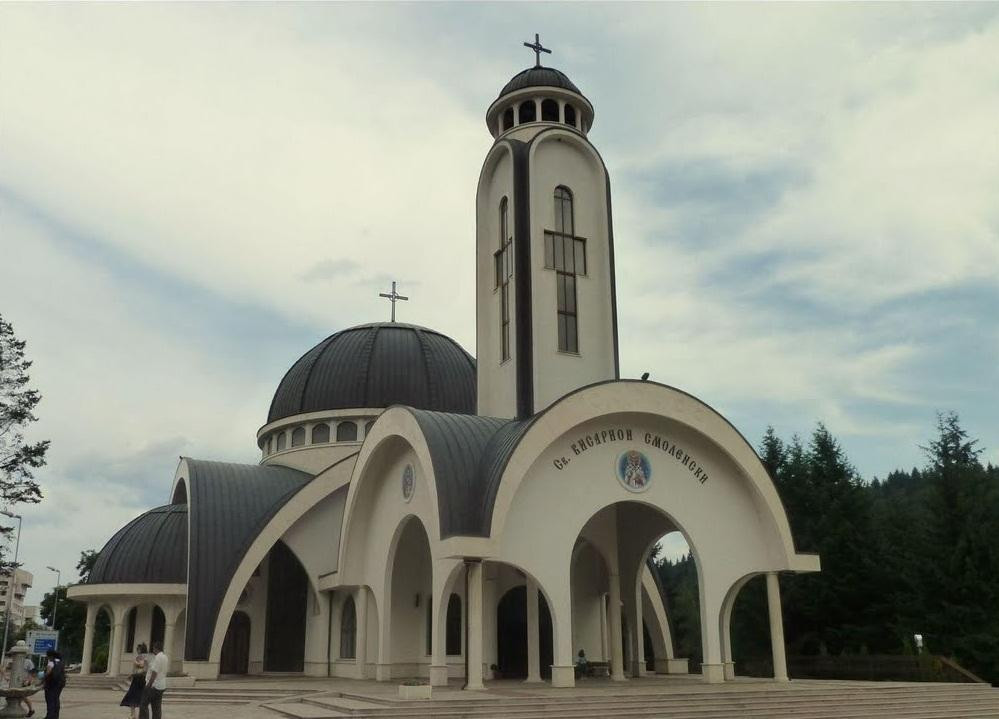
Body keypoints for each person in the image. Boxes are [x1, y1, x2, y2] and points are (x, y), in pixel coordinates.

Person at [139, 641, 168, 719]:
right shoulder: (165, 657)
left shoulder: (158, 657)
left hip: (153, 686)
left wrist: (149, 684)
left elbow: (154, 672)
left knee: (143, 704)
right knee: (156, 707)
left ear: (155, 648)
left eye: (153, 648)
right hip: (161, 685)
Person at [120, 643, 148, 719]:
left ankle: (137, 715)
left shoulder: (144, 657)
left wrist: (136, 663)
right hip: (136, 678)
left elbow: (143, 667)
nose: (137, 650)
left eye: (139, 649)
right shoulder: (139, 657)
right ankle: (133, 715)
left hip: (140, 679)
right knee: (132, 695)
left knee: (138, 696)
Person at [42, 649, 65, 719]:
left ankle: (50, 716)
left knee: (50, 700)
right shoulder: (60, 662)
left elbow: (48, 672)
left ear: (50, 656)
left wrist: (42, 678)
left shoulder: (51, 662)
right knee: (56, 699)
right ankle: (55, 716)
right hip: (60, 683)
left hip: (51, 684)